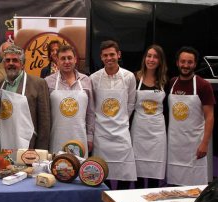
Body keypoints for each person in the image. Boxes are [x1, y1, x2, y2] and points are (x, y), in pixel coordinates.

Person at [90, 40, 137, 189]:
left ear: (118, 54)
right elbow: (92, 107)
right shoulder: (94, 78)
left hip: (121, 133)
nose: (109, 58)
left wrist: (121, 121)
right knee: (103, 173)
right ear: (101, 57)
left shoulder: (129, 77)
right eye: (105, 55)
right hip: (101, 134)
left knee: (125, 172)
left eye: (112, 54)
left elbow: (130, 104)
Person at [167, 46, 215, 186]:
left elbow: (210, 116)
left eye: (189, 62)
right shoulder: (172, 82)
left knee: (195, 188)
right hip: (174, 145)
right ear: (177, 62)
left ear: (195, 64)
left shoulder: (203, 85)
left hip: (194, 145)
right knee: (173, 188)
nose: (186, 65)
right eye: (183, 62)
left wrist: (205, 143)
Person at [0, 45, 51, 150]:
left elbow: (44, 123)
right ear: (4, 64)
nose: (11, 63)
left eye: (15, 60)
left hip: (28, 145)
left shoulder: (38, 84)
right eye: (7, 60)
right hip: (3, 142)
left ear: (22, 64)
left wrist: (40, 151)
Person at [45, 45, 94, 156]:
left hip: (80, 138)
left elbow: (91, 112)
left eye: (69, 58)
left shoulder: (86, 80)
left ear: (75, 59)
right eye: (63, 58)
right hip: (56, 138)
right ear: (57, 60)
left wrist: (90, 137)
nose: (67, 61)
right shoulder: (48, 82)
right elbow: (44, 114)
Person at [131, 45, 168, 189]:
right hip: (139, 130)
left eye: (155, 57)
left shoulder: (165, 81)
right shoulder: (135, 78)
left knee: (154, 172)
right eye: (149, 56)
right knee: (138, 172)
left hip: (157, 132)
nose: (151, 59)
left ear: (160, 61)